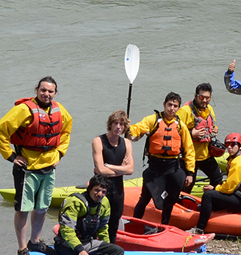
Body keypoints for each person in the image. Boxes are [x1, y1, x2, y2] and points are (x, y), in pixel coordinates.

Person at [0, 76, 73, 255]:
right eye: (43, 90)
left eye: (50, 91)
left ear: (55, 93)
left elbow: (66, 131)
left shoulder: (60, 110)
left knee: (42, 207)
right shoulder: (23, 109)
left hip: (48, 167)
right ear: (37, 90)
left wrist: (60, 153)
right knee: (23, 209)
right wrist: (11, 156)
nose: (46, 94)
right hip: (27, 168)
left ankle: (35, 242)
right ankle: (22, 250)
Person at [128, 93, 195, 226]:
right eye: (169, 105)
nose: (172, 108)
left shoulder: (181, 126)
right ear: (164, 104)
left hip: (173, 167)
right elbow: (139, 128)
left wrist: (190, 173)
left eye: (175, 106)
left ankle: (164, 226)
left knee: (170, 201)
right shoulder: (153, 120)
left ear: (178, 108)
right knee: (145, 198)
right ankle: (134, 224)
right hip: (155, 167)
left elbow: (189, 150)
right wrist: (128, 129)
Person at [54, 176, 124, 255]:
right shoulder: (75, 202)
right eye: (96, 190)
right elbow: (67, 230)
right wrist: (80, 250)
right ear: (89, 188)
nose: (100, 194)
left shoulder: (104, 202)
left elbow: (102, 229)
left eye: (103, 192)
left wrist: (106, 246)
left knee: (117, 251)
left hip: (87, 242)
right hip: (66, 244)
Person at [192, 133, 241, 232]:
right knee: (217, 190)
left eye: (233, 144)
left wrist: (214, 188)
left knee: (208, 195)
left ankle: (199, 229)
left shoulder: (239, 162)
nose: (229, 148)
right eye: (227, 145)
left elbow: (229, 189)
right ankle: (209, 210)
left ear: (240, 146)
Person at [91, 110, 134, 243]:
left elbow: (131, 170)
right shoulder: (99, 141)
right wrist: (121, 169)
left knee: (114, 222)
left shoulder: (126, 143)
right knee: (96, 222)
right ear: (110, 124)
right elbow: (100, 169)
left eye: (121, 124)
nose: (118, 127)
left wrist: (110, 166)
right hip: (100, 188)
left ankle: (110, 249)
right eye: (116, 123)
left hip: (118, 189)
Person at [178, 83, 225, 190]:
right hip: (189, 158)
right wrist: (191, 134)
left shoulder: (210, 109)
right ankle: (182, 205)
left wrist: (215, 129)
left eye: (207, 98)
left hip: (206, 155)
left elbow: (211, 125)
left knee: (217, 179)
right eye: (201, 97)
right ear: (195, 96)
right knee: (187, 185)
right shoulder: (185, 111)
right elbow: (173, 132)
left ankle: (210, 201)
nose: (204, 101)